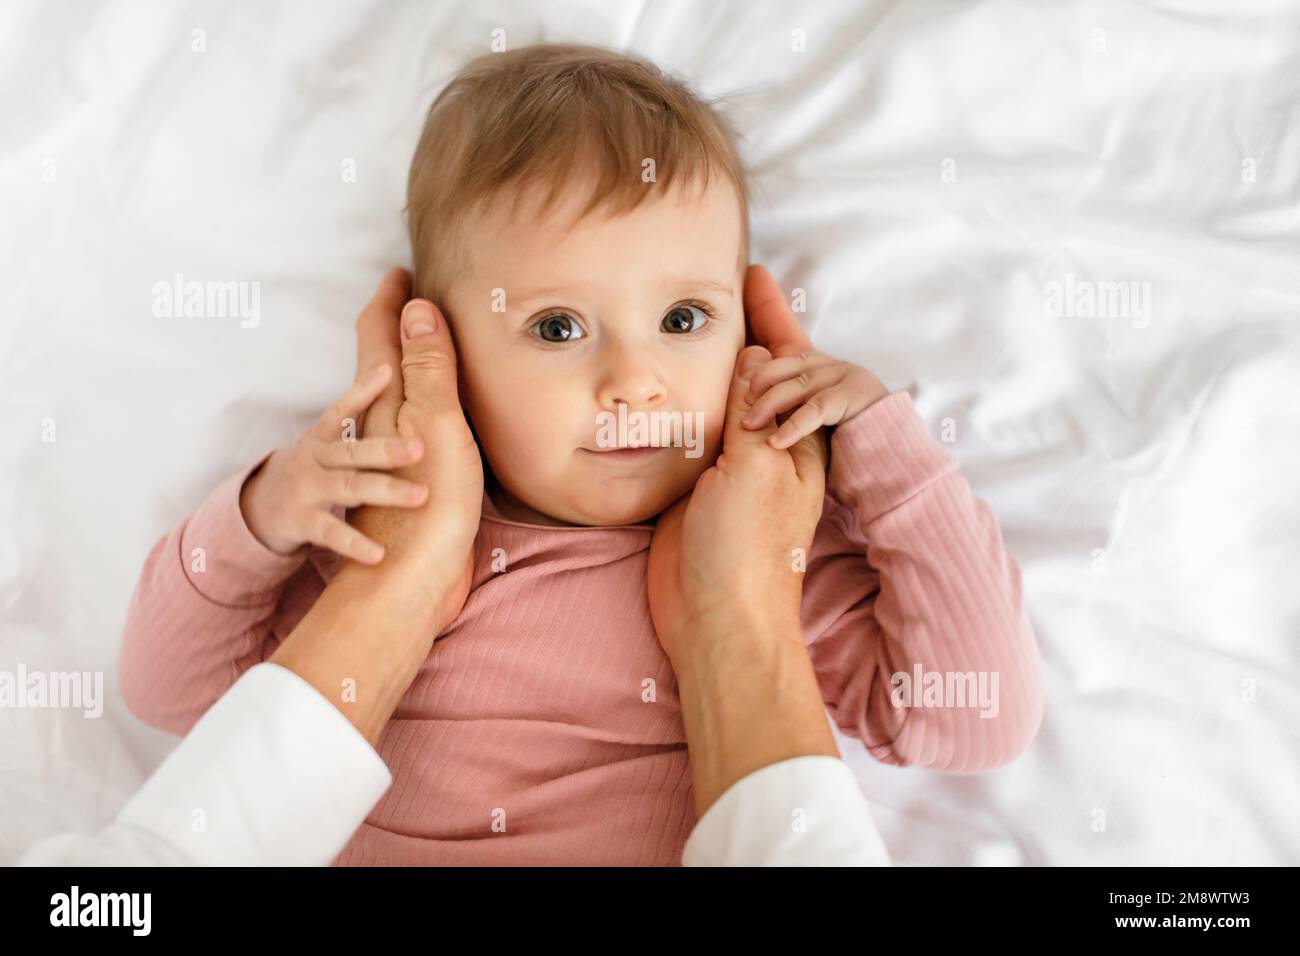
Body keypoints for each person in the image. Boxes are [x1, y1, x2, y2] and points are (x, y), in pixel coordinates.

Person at [21, 270, 888, 867]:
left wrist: (874, 442)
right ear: (448, 363)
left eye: (684, 319)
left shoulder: (773, 550)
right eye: (556, 327)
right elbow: (165, 689)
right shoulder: (373, 536)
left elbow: (965, 721)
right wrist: (268, 513)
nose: (637, 383)